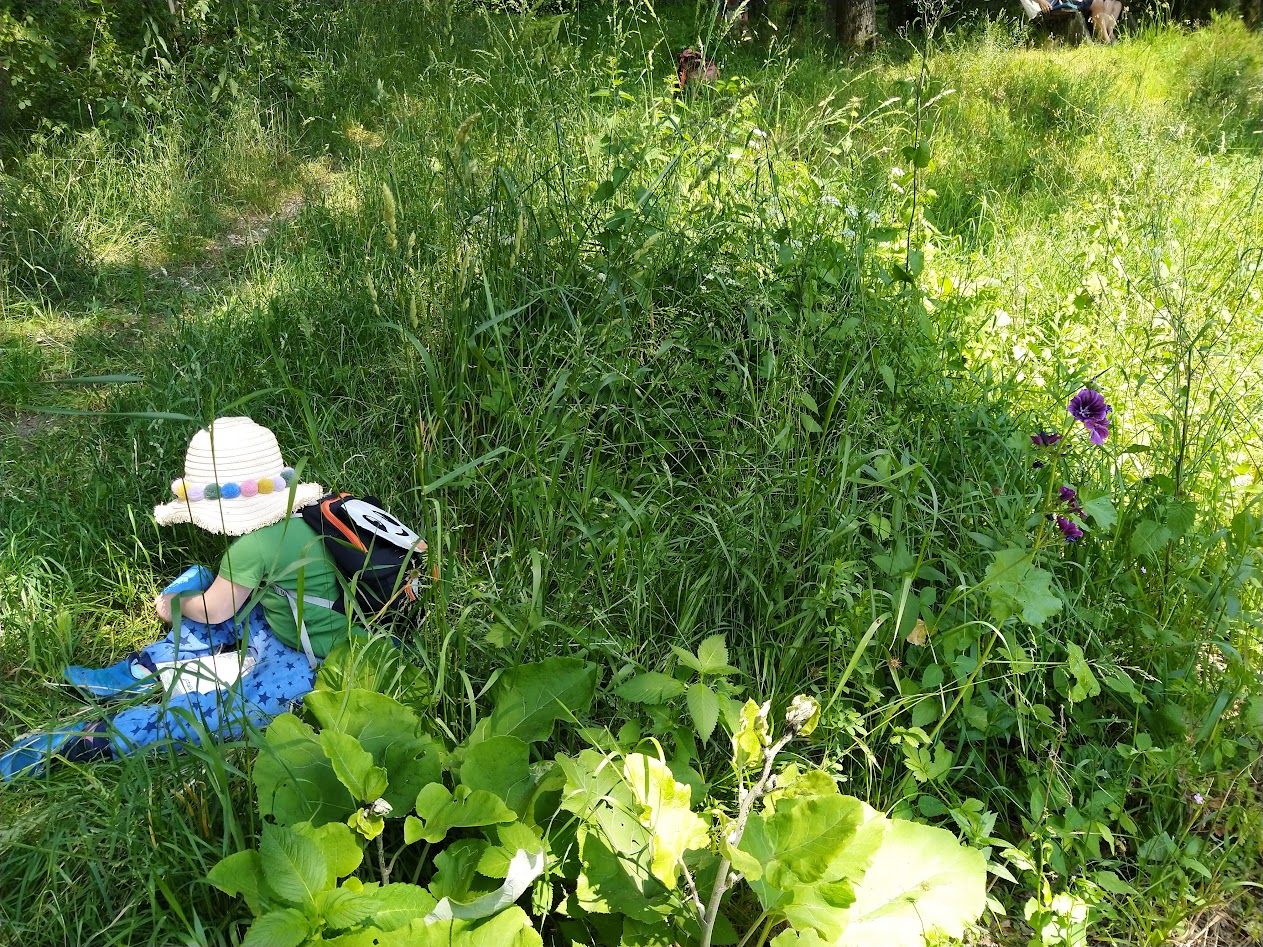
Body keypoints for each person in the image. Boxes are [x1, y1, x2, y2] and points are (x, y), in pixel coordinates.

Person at [0, 417, 354, 780]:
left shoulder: (251, 548)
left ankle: (107, 731)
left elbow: (215, 611)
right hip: (320, 625)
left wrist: (177, 606)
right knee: (222, 589)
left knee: (228, 710)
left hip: (317, 661)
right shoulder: (312, 518)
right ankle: (144, 673)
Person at [1037, 0, 1121, 43]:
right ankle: (1105, 38)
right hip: (1052, 5)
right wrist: (1040, 1)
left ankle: (1108, 34)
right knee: (1098, 2)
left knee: (1116, 4)